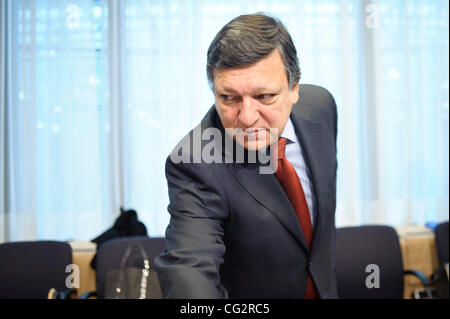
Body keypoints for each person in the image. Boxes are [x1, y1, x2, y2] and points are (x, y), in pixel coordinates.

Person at [154, 13, 338, 298]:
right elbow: (188, 270)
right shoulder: (195, 161)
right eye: (229, 98)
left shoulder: (321, 108)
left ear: (294, 87)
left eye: (264, 97)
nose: (247, 117)